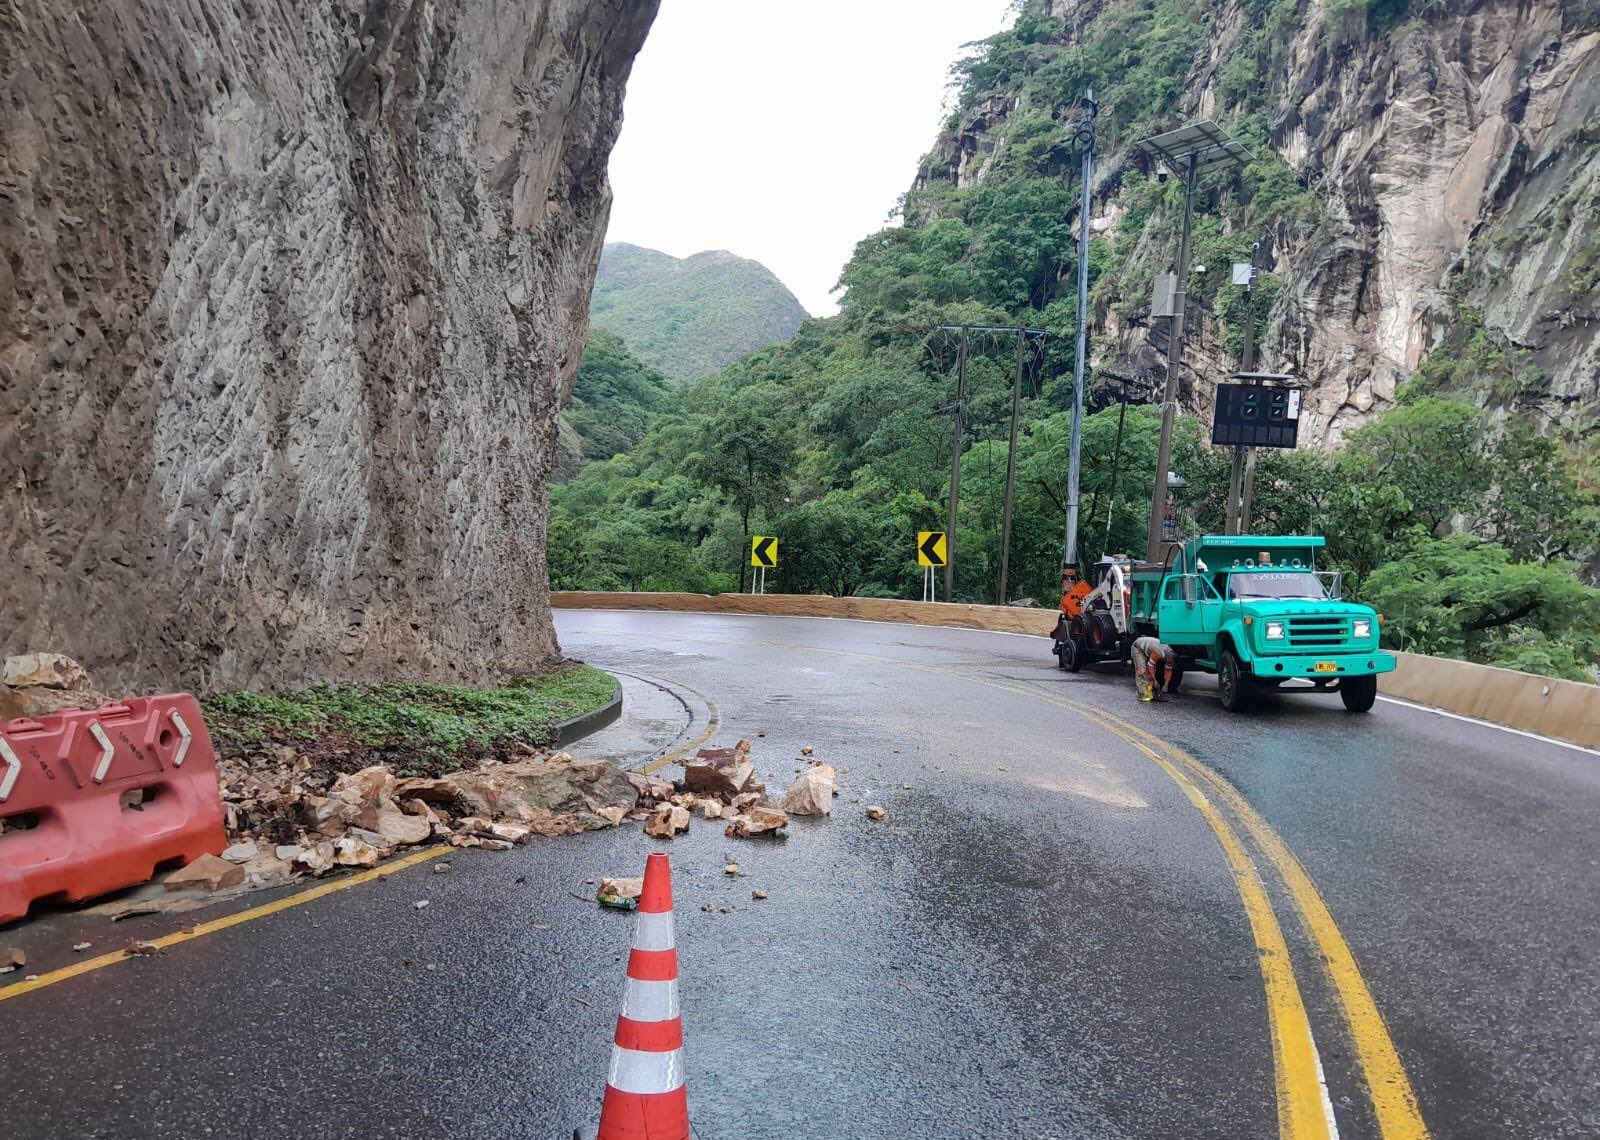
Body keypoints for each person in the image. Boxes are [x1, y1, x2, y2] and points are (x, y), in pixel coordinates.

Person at [1130, 636, 1174, 702]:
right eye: (1168, 662)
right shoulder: (1158, 653)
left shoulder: (1170, 653)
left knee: (1150, 672)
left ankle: (1150, 693)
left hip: (1149, 649)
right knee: (1142, 671)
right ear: (1165, 657)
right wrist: (1155, 680)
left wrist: (1166, 685)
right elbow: (1150, 666)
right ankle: (1142, 694)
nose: (1168, 663)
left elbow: (1168, 670)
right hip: (1138, 648)